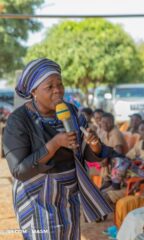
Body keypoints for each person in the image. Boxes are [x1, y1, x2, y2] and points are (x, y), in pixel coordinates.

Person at [2, 58, 112, 239]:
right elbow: (19, 171)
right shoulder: (18, 120)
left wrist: (94, 144)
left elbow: (88, 155)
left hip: (68, 196)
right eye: (50, 87)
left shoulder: (71, 111)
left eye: (60, 84)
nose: (58, 91)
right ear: (34, 91)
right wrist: (54, 145)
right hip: (37, 199)